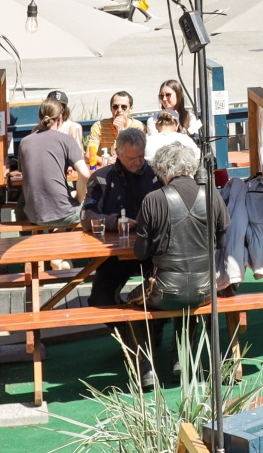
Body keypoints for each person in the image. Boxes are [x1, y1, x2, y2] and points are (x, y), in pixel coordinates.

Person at [130, 138, 227, 385]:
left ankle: (147, 368)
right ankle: (181, 359)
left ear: (162, 171)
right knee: (189, 299)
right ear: (191, 167)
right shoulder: (212, 195)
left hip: (163, 290)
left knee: (130, 303)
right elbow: (222, 242)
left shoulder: (153, 200)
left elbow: (140, 254)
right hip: (205, 289)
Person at [82, 127, 162, 306]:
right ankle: (126, 332)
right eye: (131, 158)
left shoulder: (156, 174)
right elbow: (87, 216)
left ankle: (150, 331)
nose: (137, 162)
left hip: (151, 251)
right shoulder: (101, 178)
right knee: (100, 301)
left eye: (141, 156)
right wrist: (114, 221)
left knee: (157, 296)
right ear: (117, 153)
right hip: (113, 256)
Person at [16, 98, 87, 228]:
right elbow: (85, 174)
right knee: (94, 205)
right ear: (60, 118)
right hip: (65, 214)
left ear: (39, 116)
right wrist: (79, 198)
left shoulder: (24, 142)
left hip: (35, 215)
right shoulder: (67, 140)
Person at [91, 91, 138, 160]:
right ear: (111, 109)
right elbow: (90, 154)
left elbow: (134, 155)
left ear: (130, 109)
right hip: (106, 168)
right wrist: (105, 161)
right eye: (115, 107)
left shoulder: (138, 127)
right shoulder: (99, 126)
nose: (119, 110)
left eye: (124, 107)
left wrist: (121, 131)